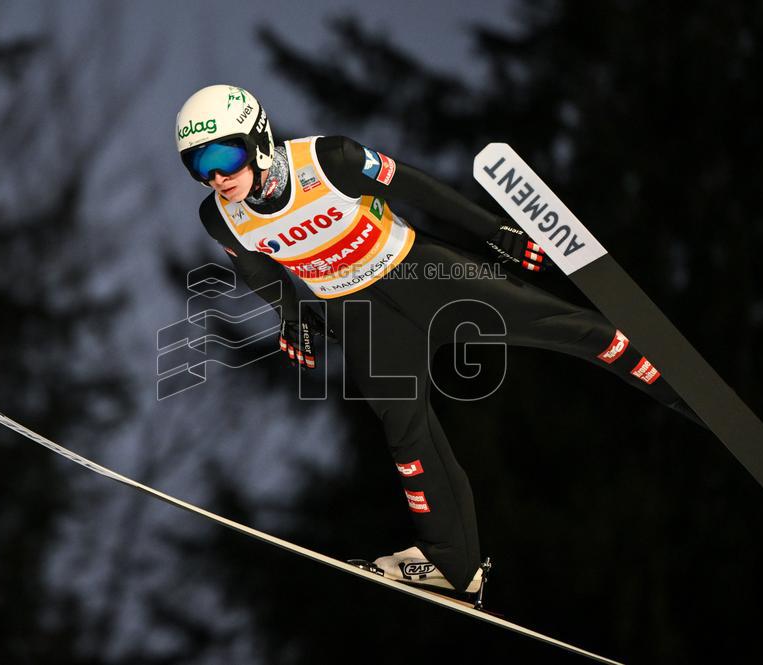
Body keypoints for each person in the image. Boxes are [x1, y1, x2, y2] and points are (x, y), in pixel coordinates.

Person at [176, 84, 701, 595]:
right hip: (357, 311)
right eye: (200, 166)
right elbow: (256, 269)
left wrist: (493, 230)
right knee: (406, 433)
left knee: (548, 322)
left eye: (227, 155)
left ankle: (677, 387)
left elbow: (414, 187)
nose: (219, 176)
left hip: (418, 273)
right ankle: (453, 562)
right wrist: (290, 316)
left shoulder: (328, 159)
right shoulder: (219, 216)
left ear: (260, 139)